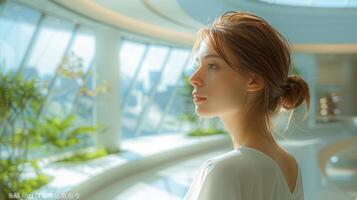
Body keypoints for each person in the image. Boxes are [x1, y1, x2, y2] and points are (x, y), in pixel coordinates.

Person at [184, 11, 310, 200]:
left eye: (212, 66)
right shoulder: (290, 166)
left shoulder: (223, 172)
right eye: (197, 65)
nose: (193, 79)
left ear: (253, 81)